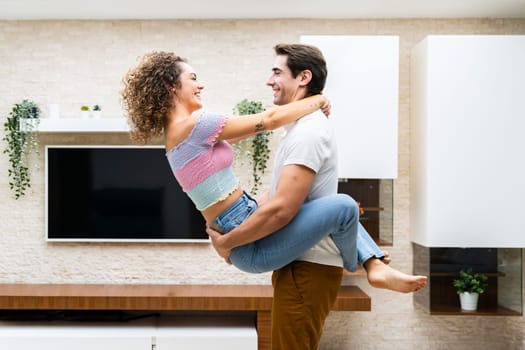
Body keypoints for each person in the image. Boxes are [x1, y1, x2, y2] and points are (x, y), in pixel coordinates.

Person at [206, 43, 427, 350]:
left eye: (277, 72)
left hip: (308, 265)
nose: (269, 81)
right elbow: (278, 199)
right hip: (301, 263)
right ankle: (372, 263)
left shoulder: (308, 132)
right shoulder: (300, 128)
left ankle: (364, 262)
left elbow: (282, 209)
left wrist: (228, 243)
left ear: (303, 77)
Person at [121, 51, 368, 274]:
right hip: (246, 238)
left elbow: (254, 127)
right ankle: (354, 264)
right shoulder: (194, 124)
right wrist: (318, 101)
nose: (200, 85)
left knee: (311, 201)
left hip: (242, 217)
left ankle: (372, 259)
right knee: (343, 206)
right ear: (170, 85)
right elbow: (269, 119)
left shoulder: (181, 132)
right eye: (193, 78)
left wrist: (298, 112)